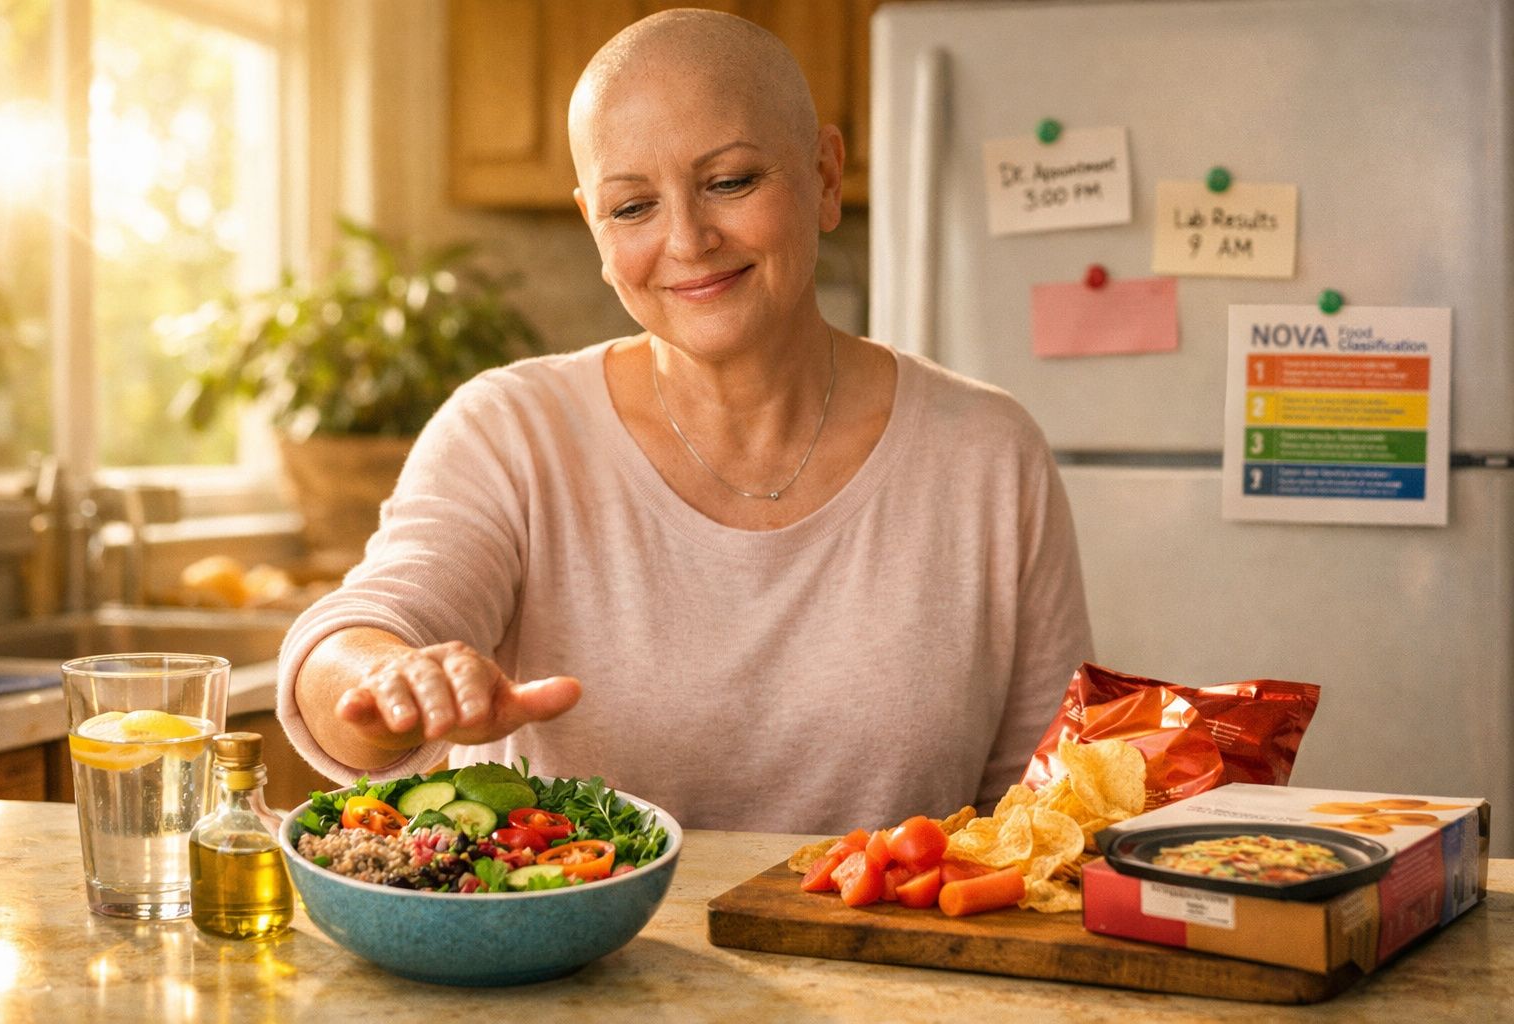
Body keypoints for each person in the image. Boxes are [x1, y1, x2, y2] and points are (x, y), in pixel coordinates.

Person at [275, 9, 1093, 834]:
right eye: (632, 207)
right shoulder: (511, 432)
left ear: (826, 175)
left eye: (731, 182)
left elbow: (1041, 807)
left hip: (889, 957)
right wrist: (391, 681)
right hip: (562, 961)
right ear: (595, 227)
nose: (689, 240)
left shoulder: (989, 452)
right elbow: (355, 635)